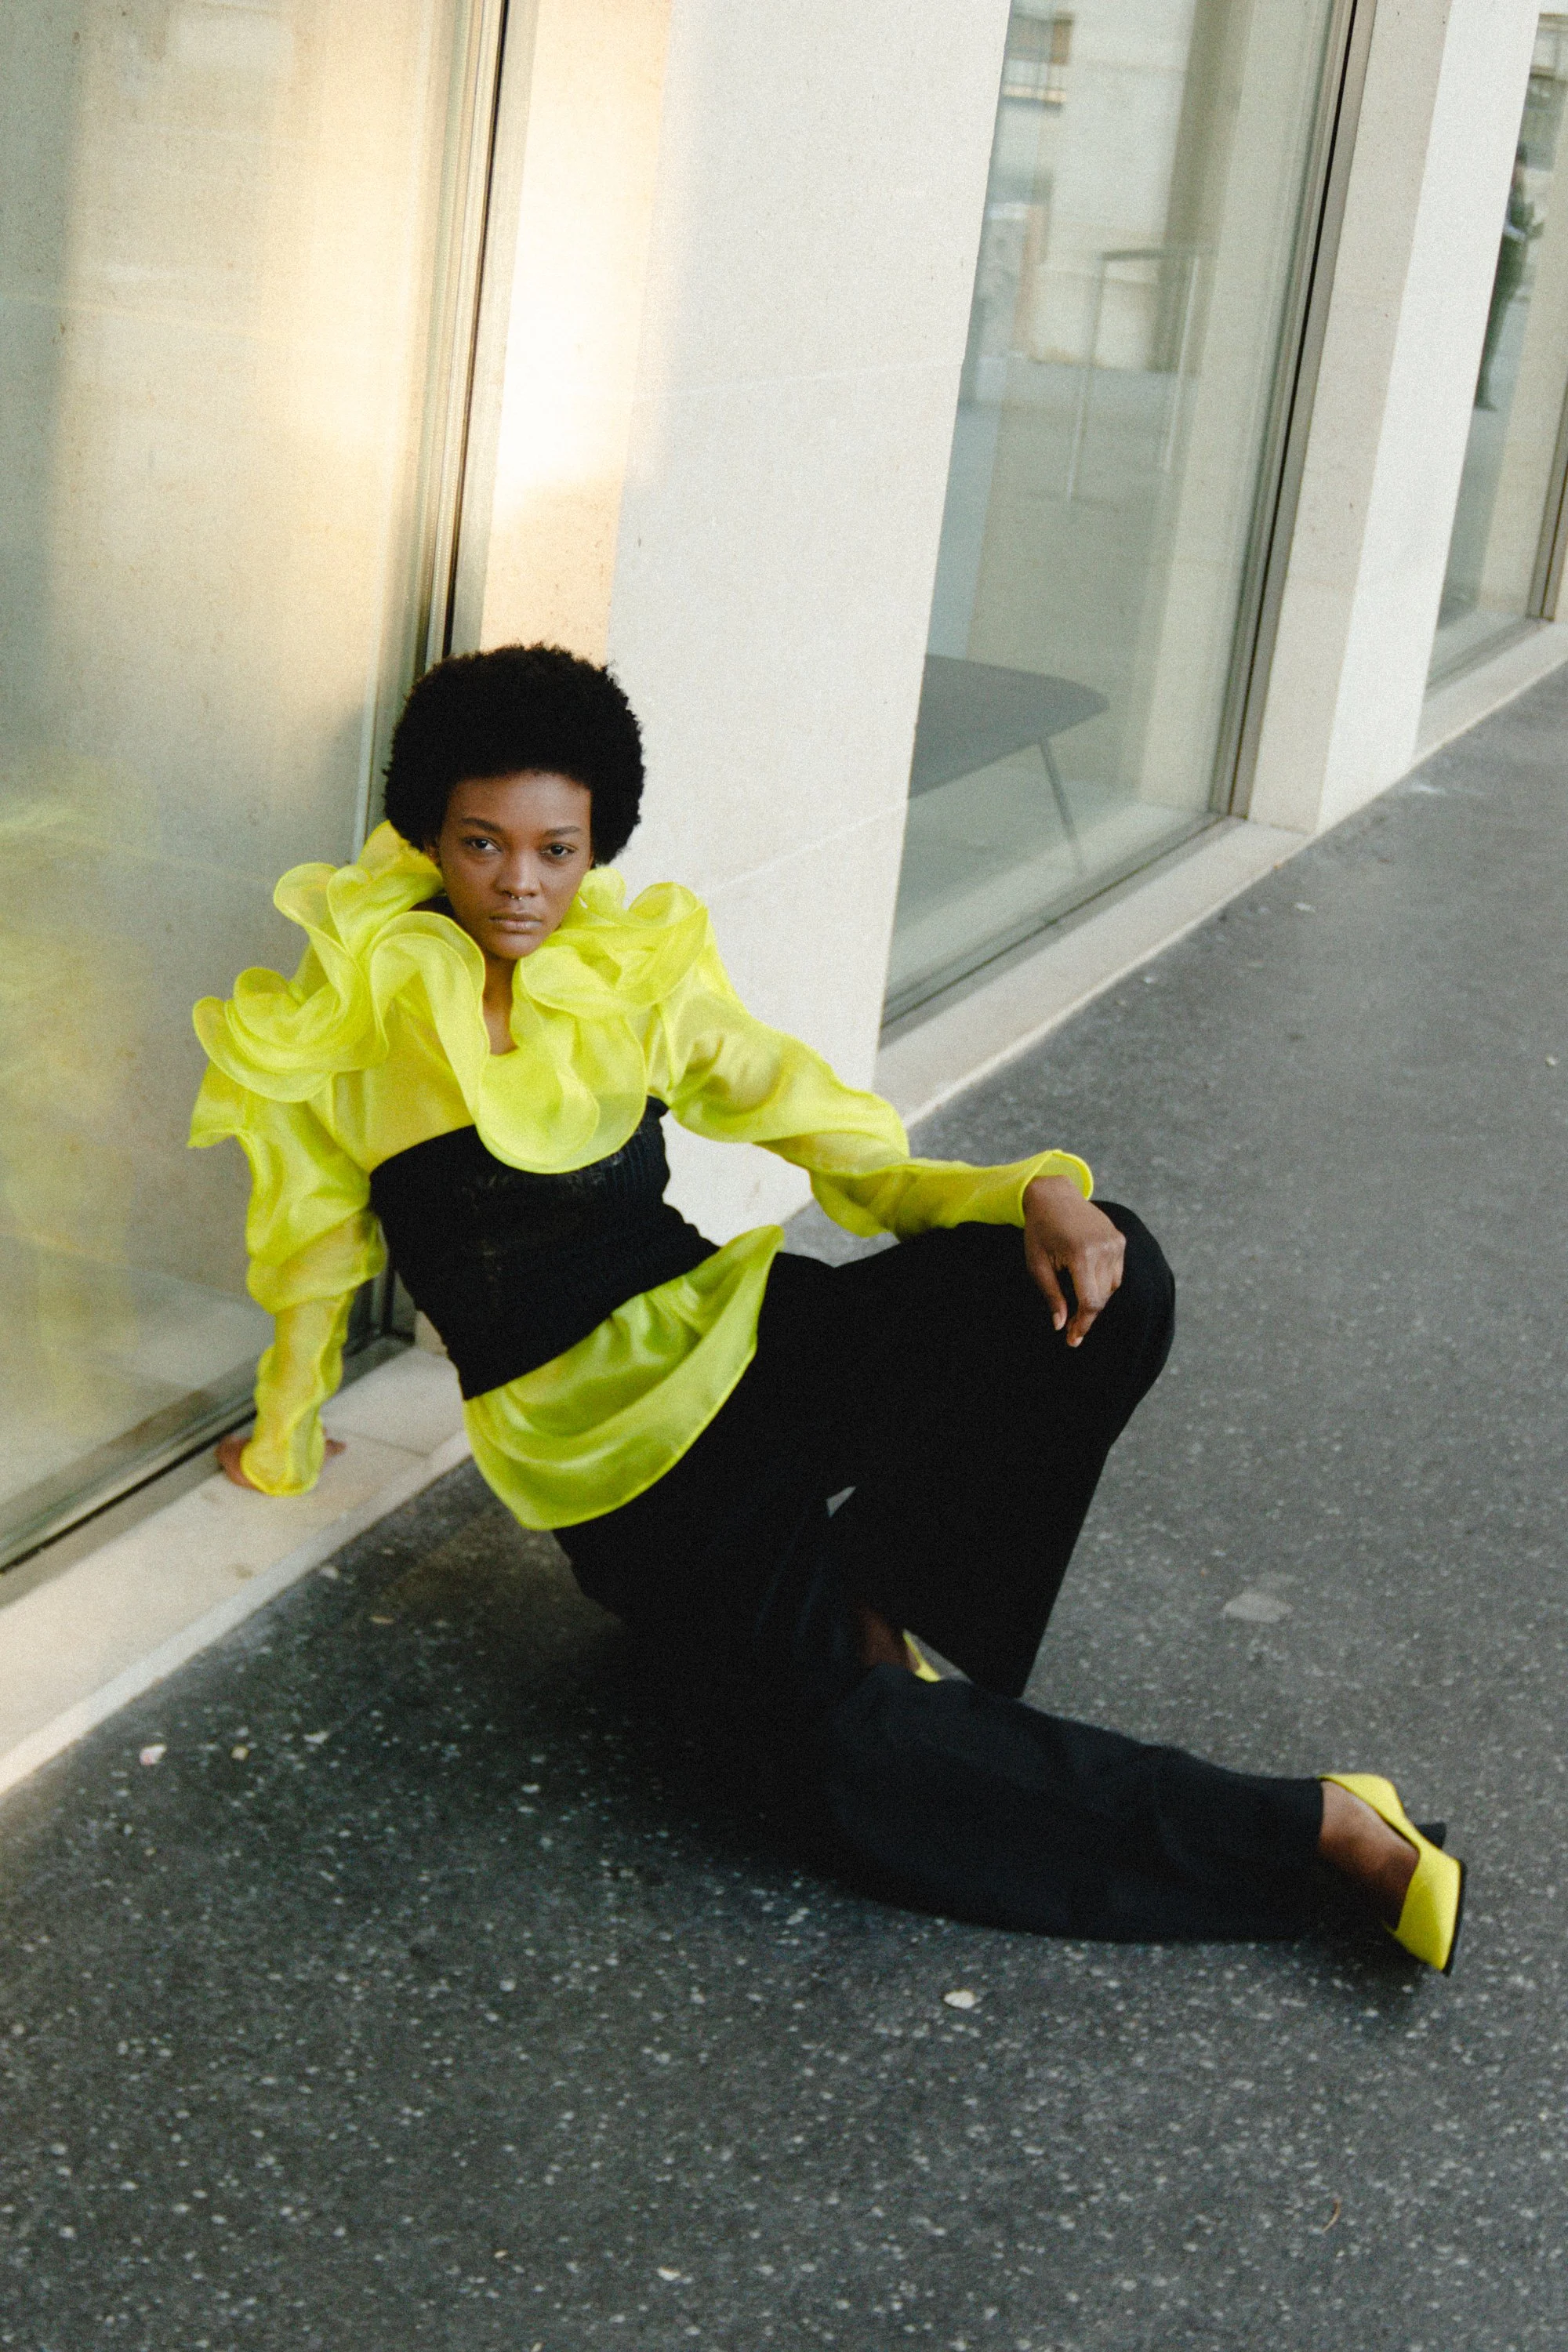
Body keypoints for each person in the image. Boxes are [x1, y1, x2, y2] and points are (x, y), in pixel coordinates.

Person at [194, 644, 1464, 1971]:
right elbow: (312, 1253)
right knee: (845, 1776)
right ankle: (1317, 1829)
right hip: (622, 1470)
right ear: (429, 833)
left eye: (558, 849)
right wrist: (286, 1437)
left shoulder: (633, 973)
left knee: (1112, 1273)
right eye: (482, 843)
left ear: (596, 844)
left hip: (747, 1333)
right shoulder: (349, 1014)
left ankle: (877, 1599)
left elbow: (834, 1143)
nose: (522, 884)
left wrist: (1031, 1192)